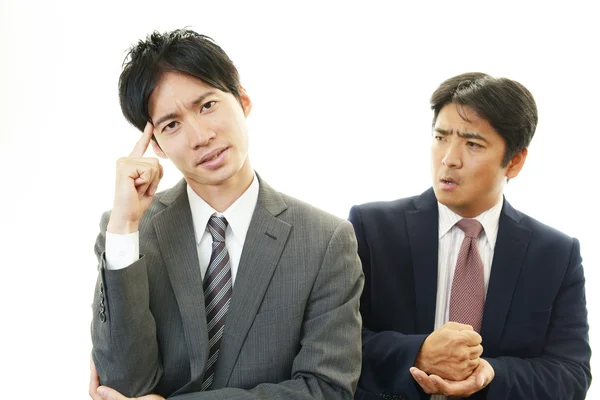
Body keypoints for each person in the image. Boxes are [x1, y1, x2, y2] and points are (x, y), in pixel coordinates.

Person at [88, 28, 364, 400]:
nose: (200, 136)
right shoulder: (129, 234)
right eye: (172, 125)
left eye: (207, 105)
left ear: (243, 100)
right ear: (156, 146)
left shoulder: (325, 240)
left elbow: (326, 389)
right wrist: (123, 228)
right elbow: (121, 386)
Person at [349, 72, 591, 400]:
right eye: (441, 137)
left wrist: (491, 373)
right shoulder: (371, 228)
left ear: (515, 161)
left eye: (472, 143)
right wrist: (418, 352)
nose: (449, 158)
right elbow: (335, 341)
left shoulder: (555, 254)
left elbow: (571, 373)